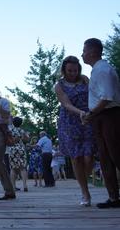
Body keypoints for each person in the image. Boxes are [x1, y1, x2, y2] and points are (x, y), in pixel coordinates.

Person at [81, 38, 120, 209]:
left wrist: (91, 113)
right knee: (105, 157)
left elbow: (107, 98)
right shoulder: (97, 70)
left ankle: (114, 196)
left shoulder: (103, 70)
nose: (82, 54)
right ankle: (114, 198)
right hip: (101, 116)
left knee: (116, 154)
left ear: (92, 52)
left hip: (109, 115)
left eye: (84, 50)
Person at [55, 55, 94, 206]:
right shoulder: (59, 85)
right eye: (70, 70)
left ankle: (83, 179)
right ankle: (85, 192)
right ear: (64, 70)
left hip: (88, 121)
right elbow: (65, 103)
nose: (73, 73)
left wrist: (91, 113)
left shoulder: (85, 79)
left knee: (89, 157)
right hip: (70, 122)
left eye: (75, 70)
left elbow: (93, 95)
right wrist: (80, 113)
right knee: (76, 158)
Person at [8, 117, 29, 192]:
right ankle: (25, 185)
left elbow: (8, 140)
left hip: (12, 149)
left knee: (13, 168)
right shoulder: (22, 131)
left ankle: (13, 186)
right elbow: (26, 140)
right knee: (22, 168)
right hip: (21, 149)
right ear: (21, 123)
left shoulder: (10, 130)